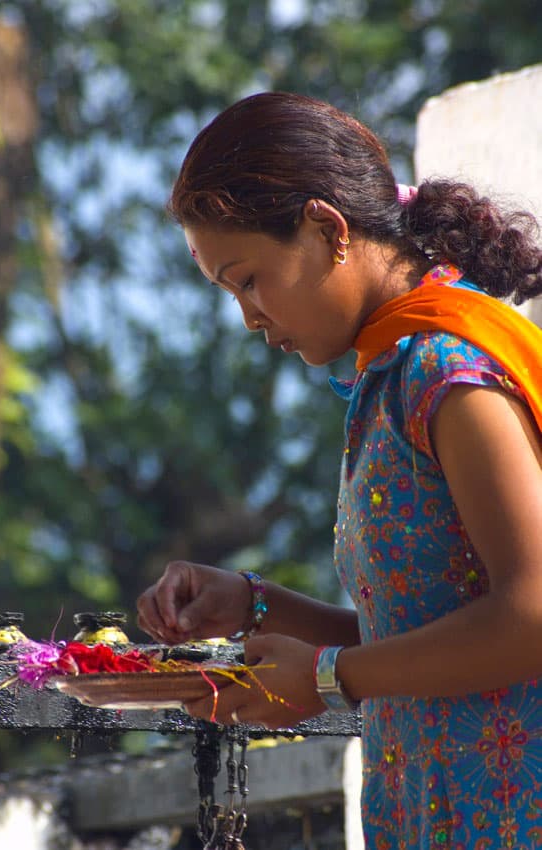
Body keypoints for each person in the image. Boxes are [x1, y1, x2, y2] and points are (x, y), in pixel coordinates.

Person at [136, 92, 542, 849]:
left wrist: (327, 677)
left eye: (249, 280)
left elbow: (531, 617)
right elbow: (414, 638)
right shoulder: (388, 378)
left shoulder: (448, 371)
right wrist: (256, 605)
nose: (249, 318)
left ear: (327, 229)